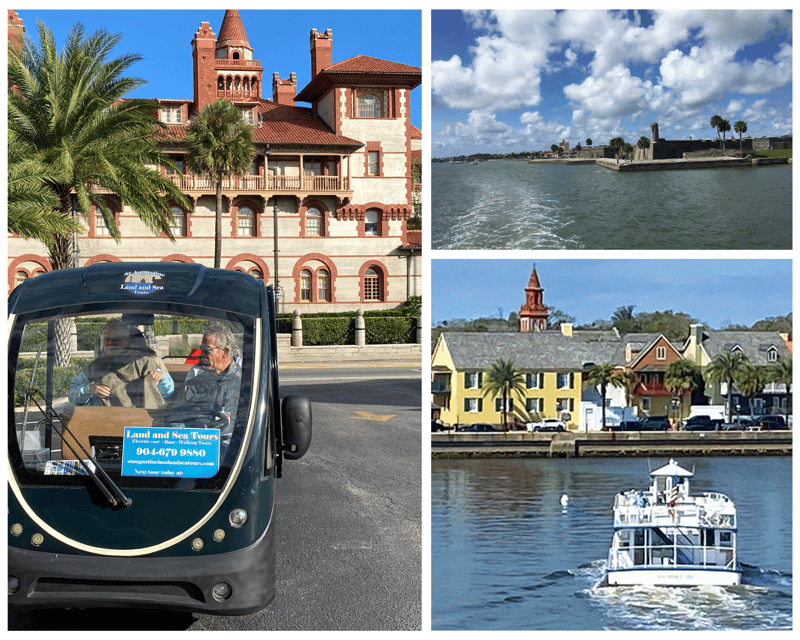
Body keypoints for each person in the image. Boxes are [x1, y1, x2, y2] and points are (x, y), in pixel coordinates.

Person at [69, 320, 174, 409]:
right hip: (105, 423)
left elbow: (168, 392)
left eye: (115, 340)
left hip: (141, 427)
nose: (110, 344)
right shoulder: (94, 367)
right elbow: (72, 397)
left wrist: (162, 378)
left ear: (125, 341)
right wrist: (89, 389)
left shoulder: (145, 363)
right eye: (107, 339)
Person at [171, 324, 242, 449]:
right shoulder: (194, 382)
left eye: (206, 349)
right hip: (196, 449)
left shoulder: (244, 382)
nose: (201, 353)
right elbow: (176, 418)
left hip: (233, 453)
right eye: (201, 348)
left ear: (225, 351)